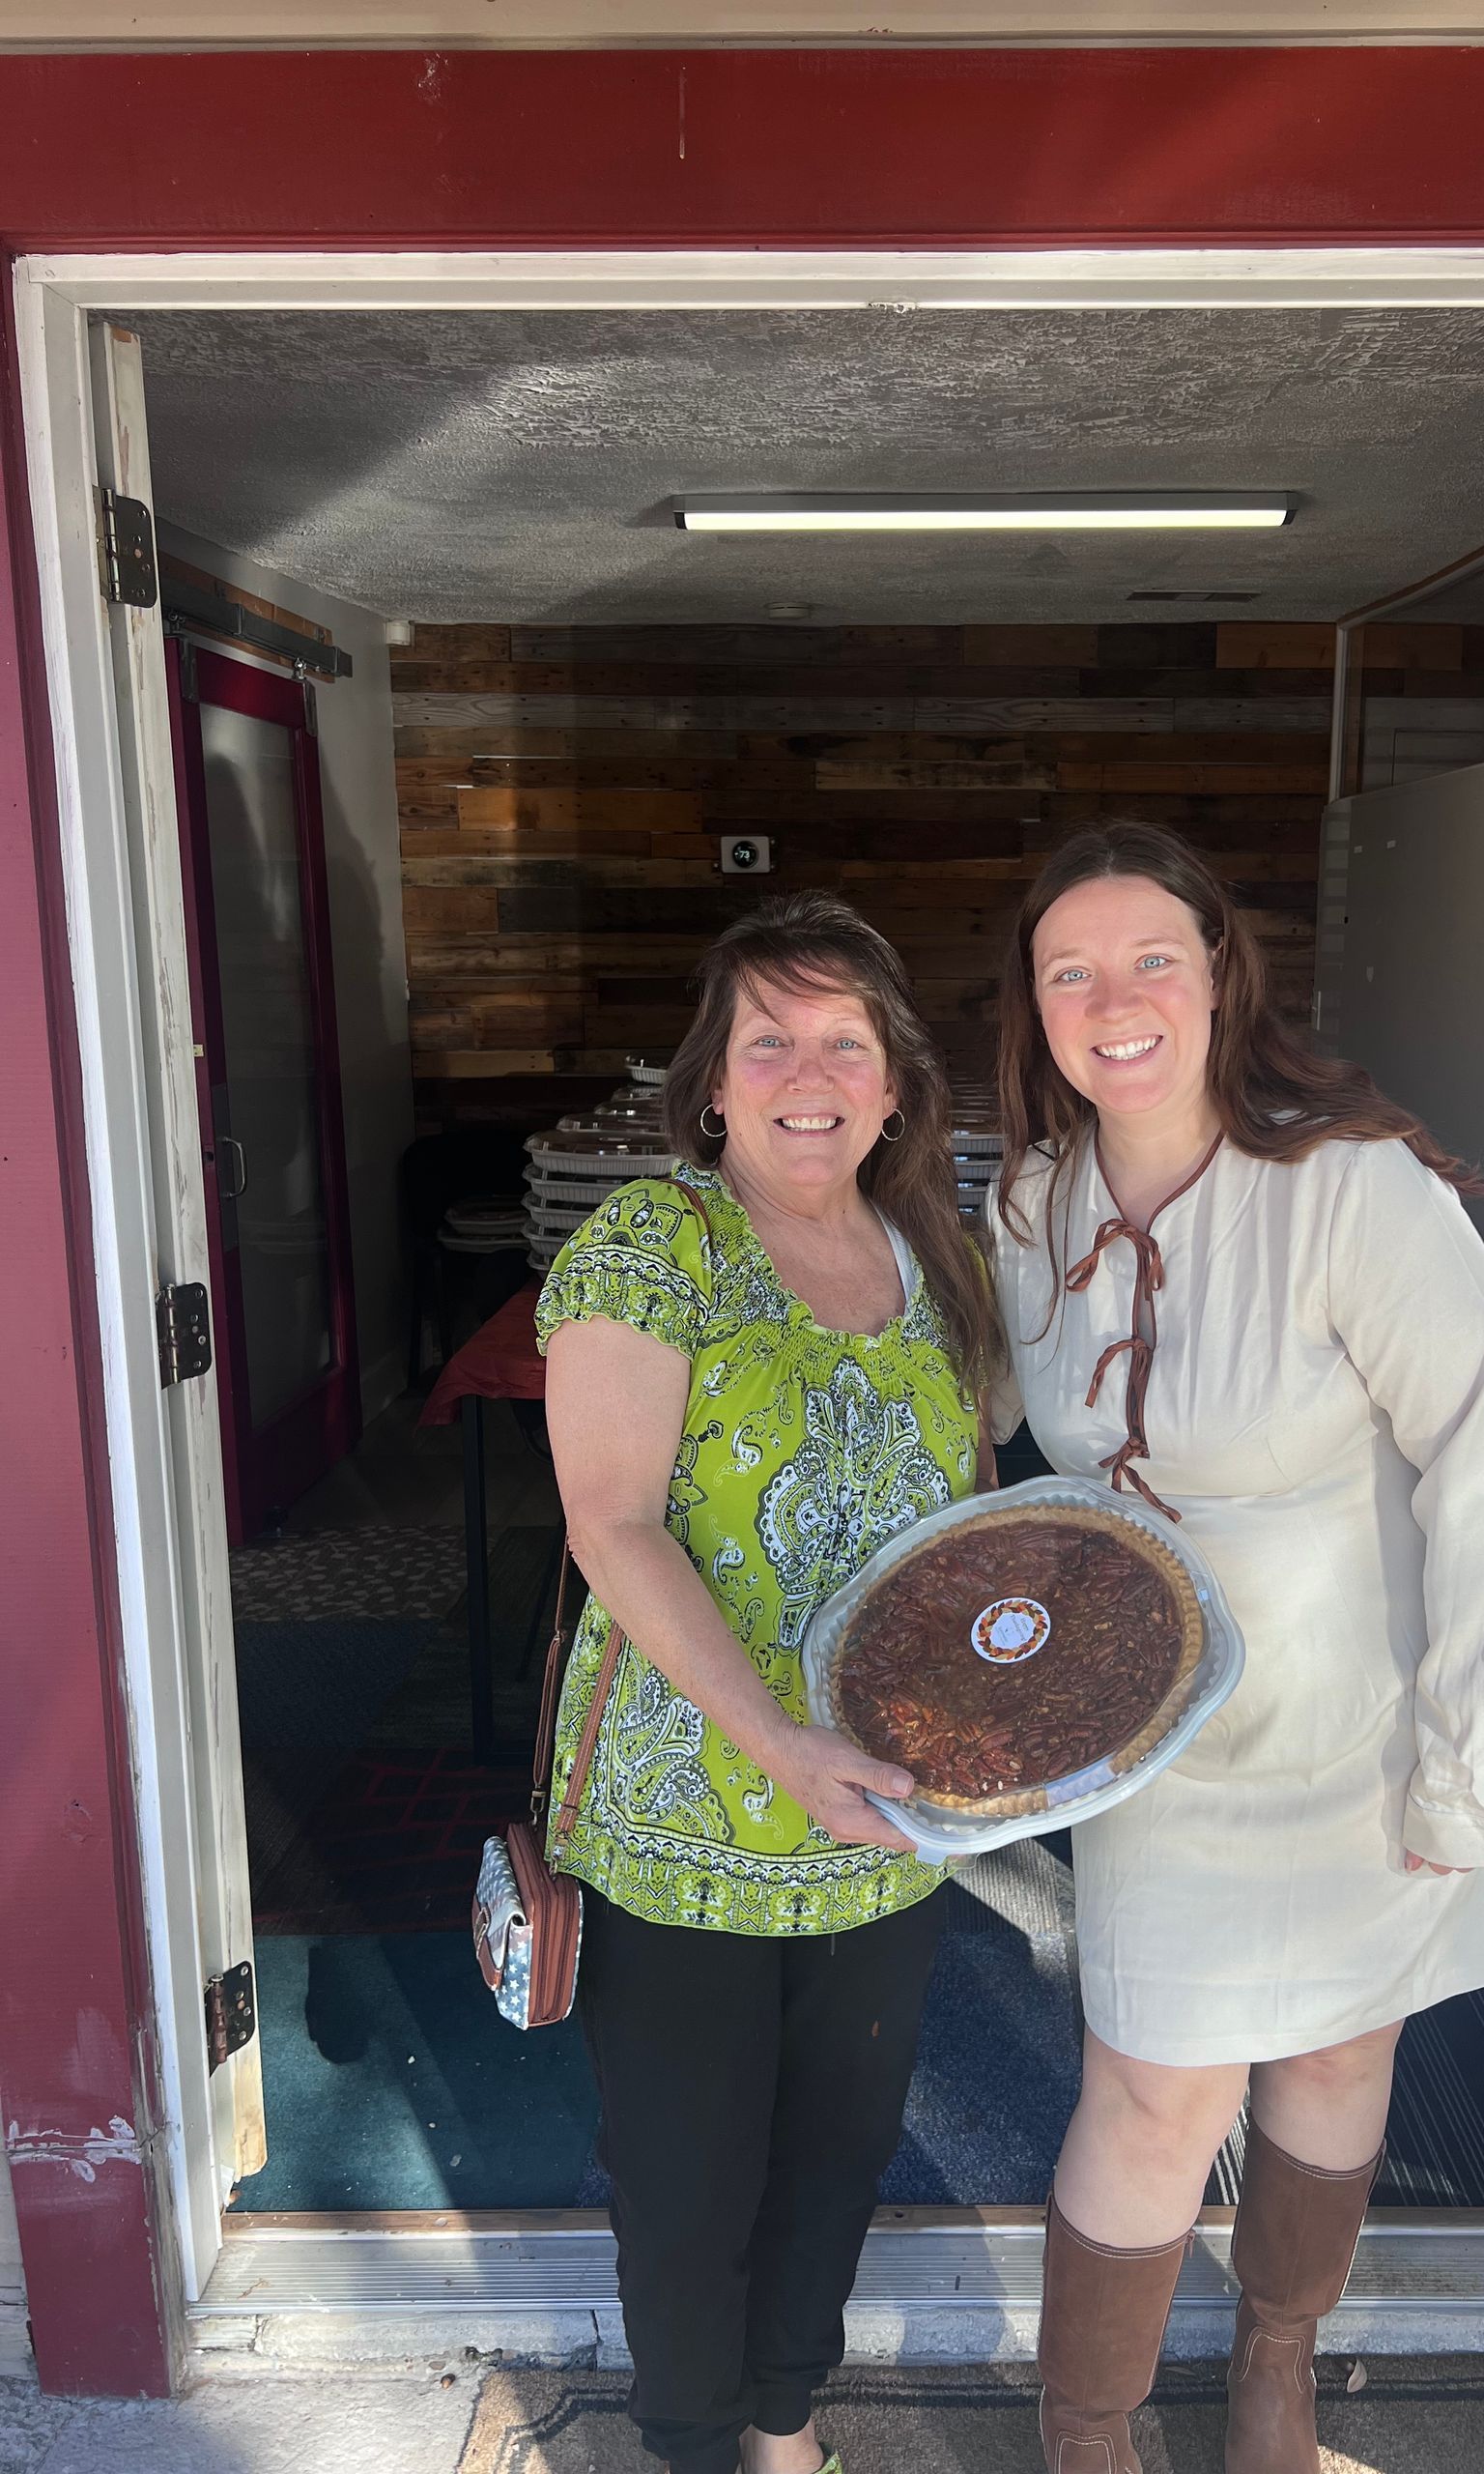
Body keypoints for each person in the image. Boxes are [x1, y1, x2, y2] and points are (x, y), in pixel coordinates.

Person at [985, 823, 1484, 2474]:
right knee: (1154, 2089)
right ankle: (1088, 2436)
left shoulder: (1350, 1186)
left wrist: (1470, 1767)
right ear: (1035, 1007)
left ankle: (1279, 2371)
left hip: (1362, 1715)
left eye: (1150, 960)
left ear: (1216, 977)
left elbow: (1482, 1469)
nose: (1113, 999)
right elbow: (1002, 1427)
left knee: (1339, 2040)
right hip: (1159, 1730)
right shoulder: (1032, 1197)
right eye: (1071, 970)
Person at [539, 893, 997, 2474]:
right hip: (688, 1815)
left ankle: (787, 2426)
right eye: (770, 1040)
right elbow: (610, 1522)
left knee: (837, 2159)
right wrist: (778, 1743)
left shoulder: (932, 1251)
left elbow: (975, 1520)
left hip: (880, 1816)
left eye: (845, 1042)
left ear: (890, 1083)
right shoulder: (653, 1243)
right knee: (689, 2178)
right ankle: (688, 2443)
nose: (811, 1071)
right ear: (715, 1084)